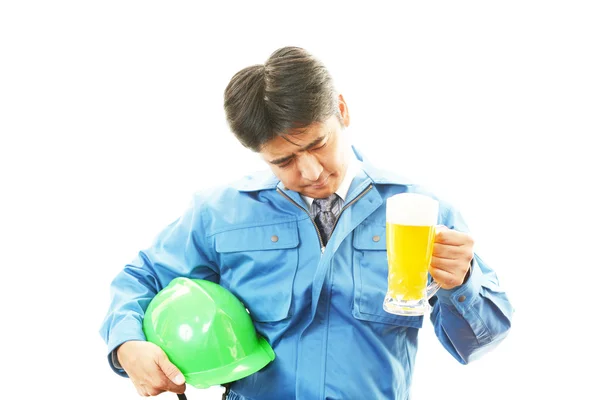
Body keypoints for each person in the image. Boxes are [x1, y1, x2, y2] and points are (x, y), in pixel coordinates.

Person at [99, 46, 513, 400]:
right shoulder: (220, 213)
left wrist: (463, 283)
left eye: (318, 144)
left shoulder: (420, 211)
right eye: (284, 161)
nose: (311, 171)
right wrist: (127, 345)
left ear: (342, 110)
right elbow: (142, 278)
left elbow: (478, 344)